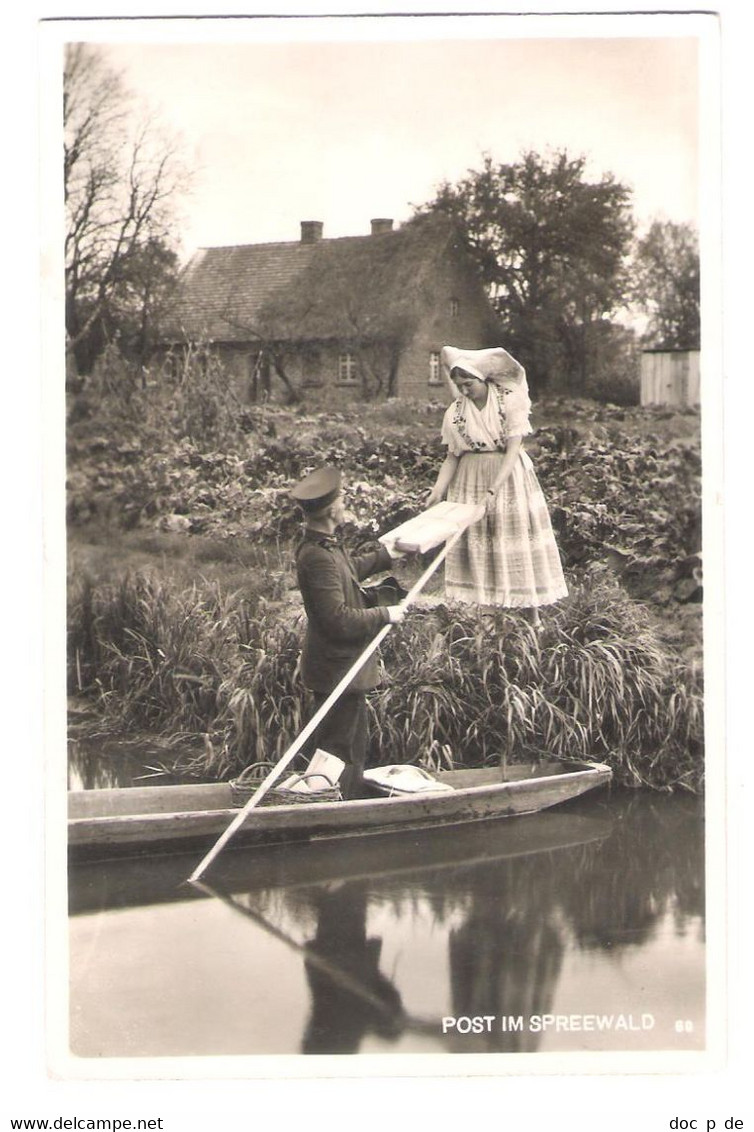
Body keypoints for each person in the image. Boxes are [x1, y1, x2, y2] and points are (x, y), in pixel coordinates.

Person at [426, 345, 567, 625]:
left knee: (514, 541)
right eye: (459, 386)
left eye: (469, 384)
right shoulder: (455, 413)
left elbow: (514, 450)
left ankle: (531, 617)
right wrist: (438, 490)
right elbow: (452, 457)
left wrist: (493, 489)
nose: (464, 391)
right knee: (481, 546)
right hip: (469, 479)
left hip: (507, 477)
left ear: (483, 379)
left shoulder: (508, 401)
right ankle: (487, 618)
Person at [291, 467, 405, 800]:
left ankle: (335, 803)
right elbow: (337, 620)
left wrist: (386, 555)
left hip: (340, 666)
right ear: (330, 510)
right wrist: (386, 614)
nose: (345, 503)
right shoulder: (317, 556)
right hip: (338, 668)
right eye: (341, 499)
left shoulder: (325, 546)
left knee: (348, 744)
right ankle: (337, 809)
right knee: (342, 750)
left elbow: (348, 570)